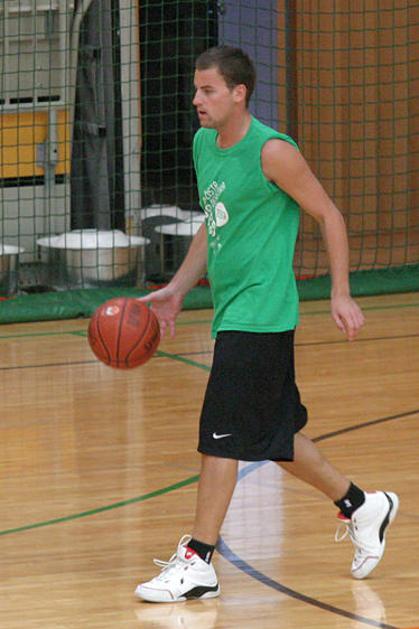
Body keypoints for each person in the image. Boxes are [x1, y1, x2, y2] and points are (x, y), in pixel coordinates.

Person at [134, 46, 399, 603]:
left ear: (239, 93)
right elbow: (215, 224)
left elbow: (329, 214)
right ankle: (361, 505)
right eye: (196, 89)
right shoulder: (204, 144)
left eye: (208, 90)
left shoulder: (273, 151)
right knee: (275, 438)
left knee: (220, 436)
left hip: (261, 314)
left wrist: (341, 292)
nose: (196, 99)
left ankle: (199, 561)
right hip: (232, 310)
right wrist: (178, 289)